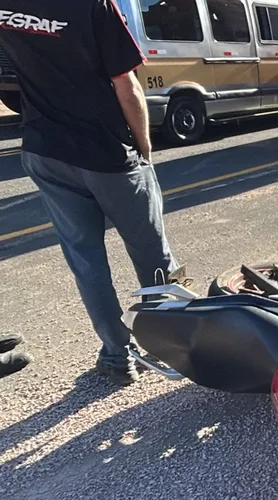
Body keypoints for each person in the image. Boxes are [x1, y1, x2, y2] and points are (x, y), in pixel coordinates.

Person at [0, 0, 181, 384]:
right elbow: (126, 84)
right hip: (107, 154)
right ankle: (174, 344)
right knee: (151, 253)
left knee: (86, 261)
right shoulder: (92, 5)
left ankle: (118, 356)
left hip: (45, 150)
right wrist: (143, 147)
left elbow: (6, 81)